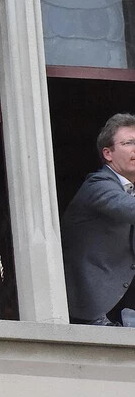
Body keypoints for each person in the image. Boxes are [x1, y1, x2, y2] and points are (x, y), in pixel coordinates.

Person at [62, 113, 135, 325]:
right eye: (128, 142)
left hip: (124, 306)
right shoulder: (98, 184)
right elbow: (128, 208)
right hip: (91, 308)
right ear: (108, 153)